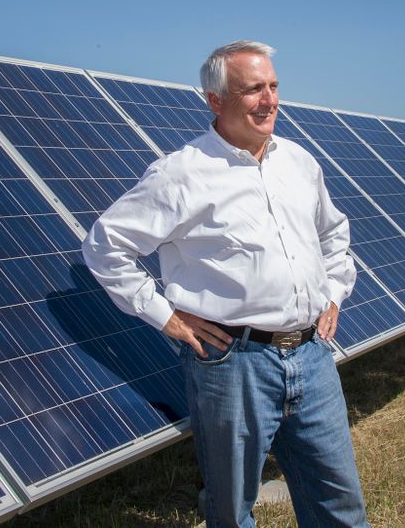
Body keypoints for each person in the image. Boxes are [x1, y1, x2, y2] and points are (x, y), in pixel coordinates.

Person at [82, 40, 368, 527]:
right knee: (233, 510)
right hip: (234, 365)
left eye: (274, 86)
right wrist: (164, 315)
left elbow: (334, 234)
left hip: (312, 355)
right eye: (253, 89)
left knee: (339, 503)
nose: (270, 100)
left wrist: (334, 291)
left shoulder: (299, 162)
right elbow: (105, 246)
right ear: (215, 100)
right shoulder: (182, 174)